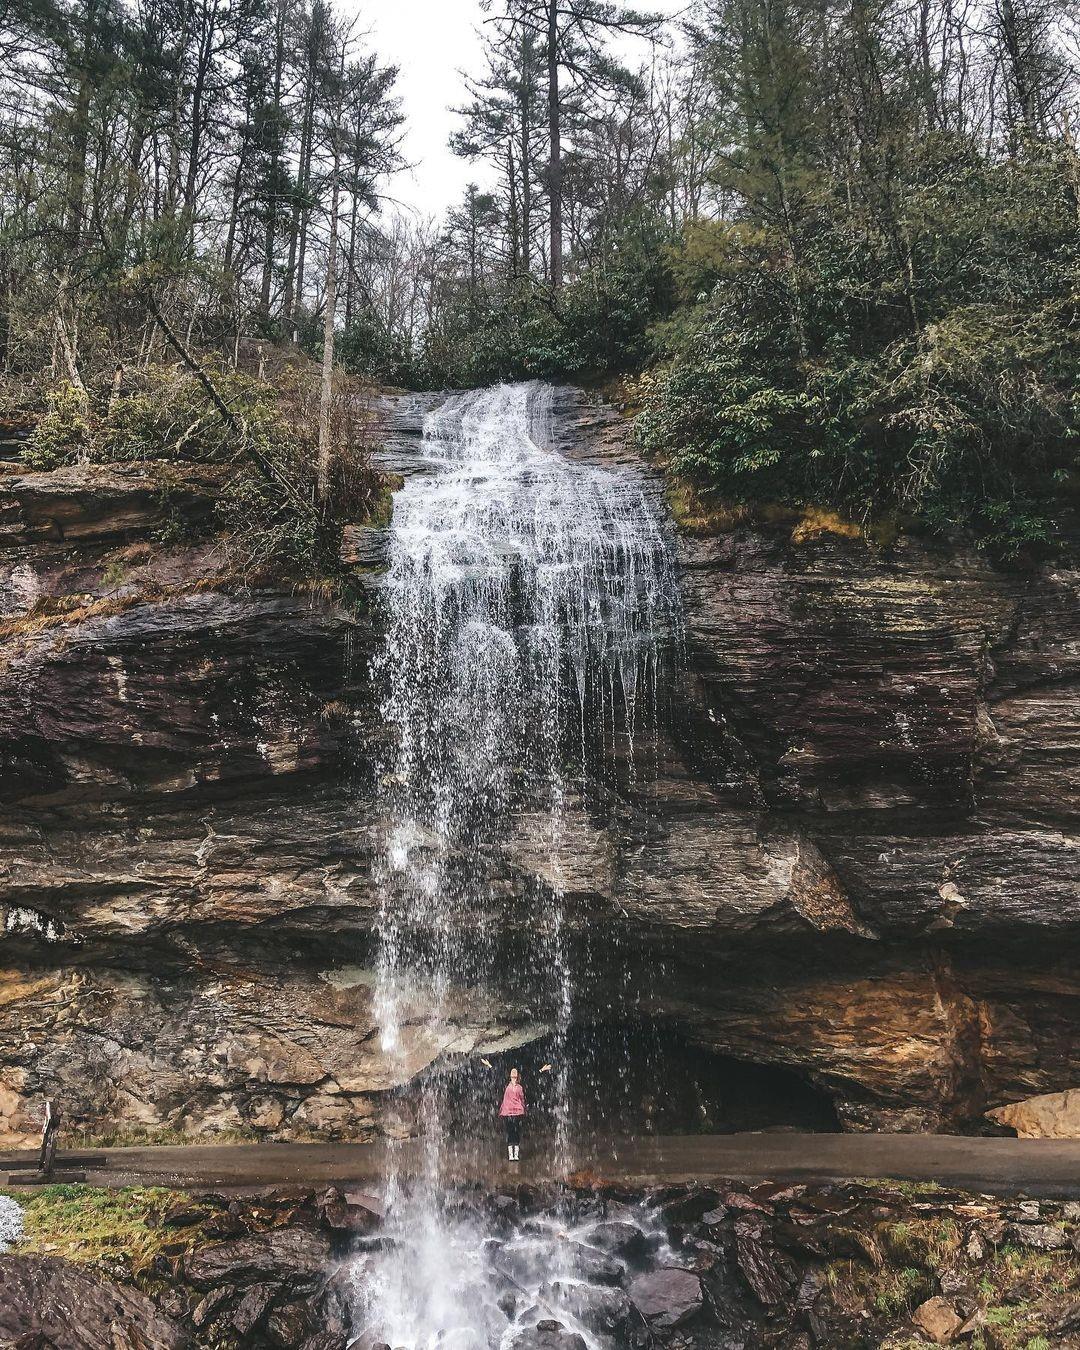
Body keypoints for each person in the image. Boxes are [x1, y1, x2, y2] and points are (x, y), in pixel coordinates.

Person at [485, 1062, 551, 1162]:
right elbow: (497, 1074)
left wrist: (542, 1070)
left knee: (516, 1132)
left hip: (518, 1112)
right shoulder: (505, 1084)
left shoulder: (520, 1086)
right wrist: (489, 1065)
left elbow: (532, 1078)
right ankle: (510, 1154)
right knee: (510, 1132)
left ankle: (516, 1154)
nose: (514, 1071)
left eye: (515, 1071)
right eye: (512, 1071)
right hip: (508, 1112)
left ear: (518, 1075)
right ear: (510, 1075)